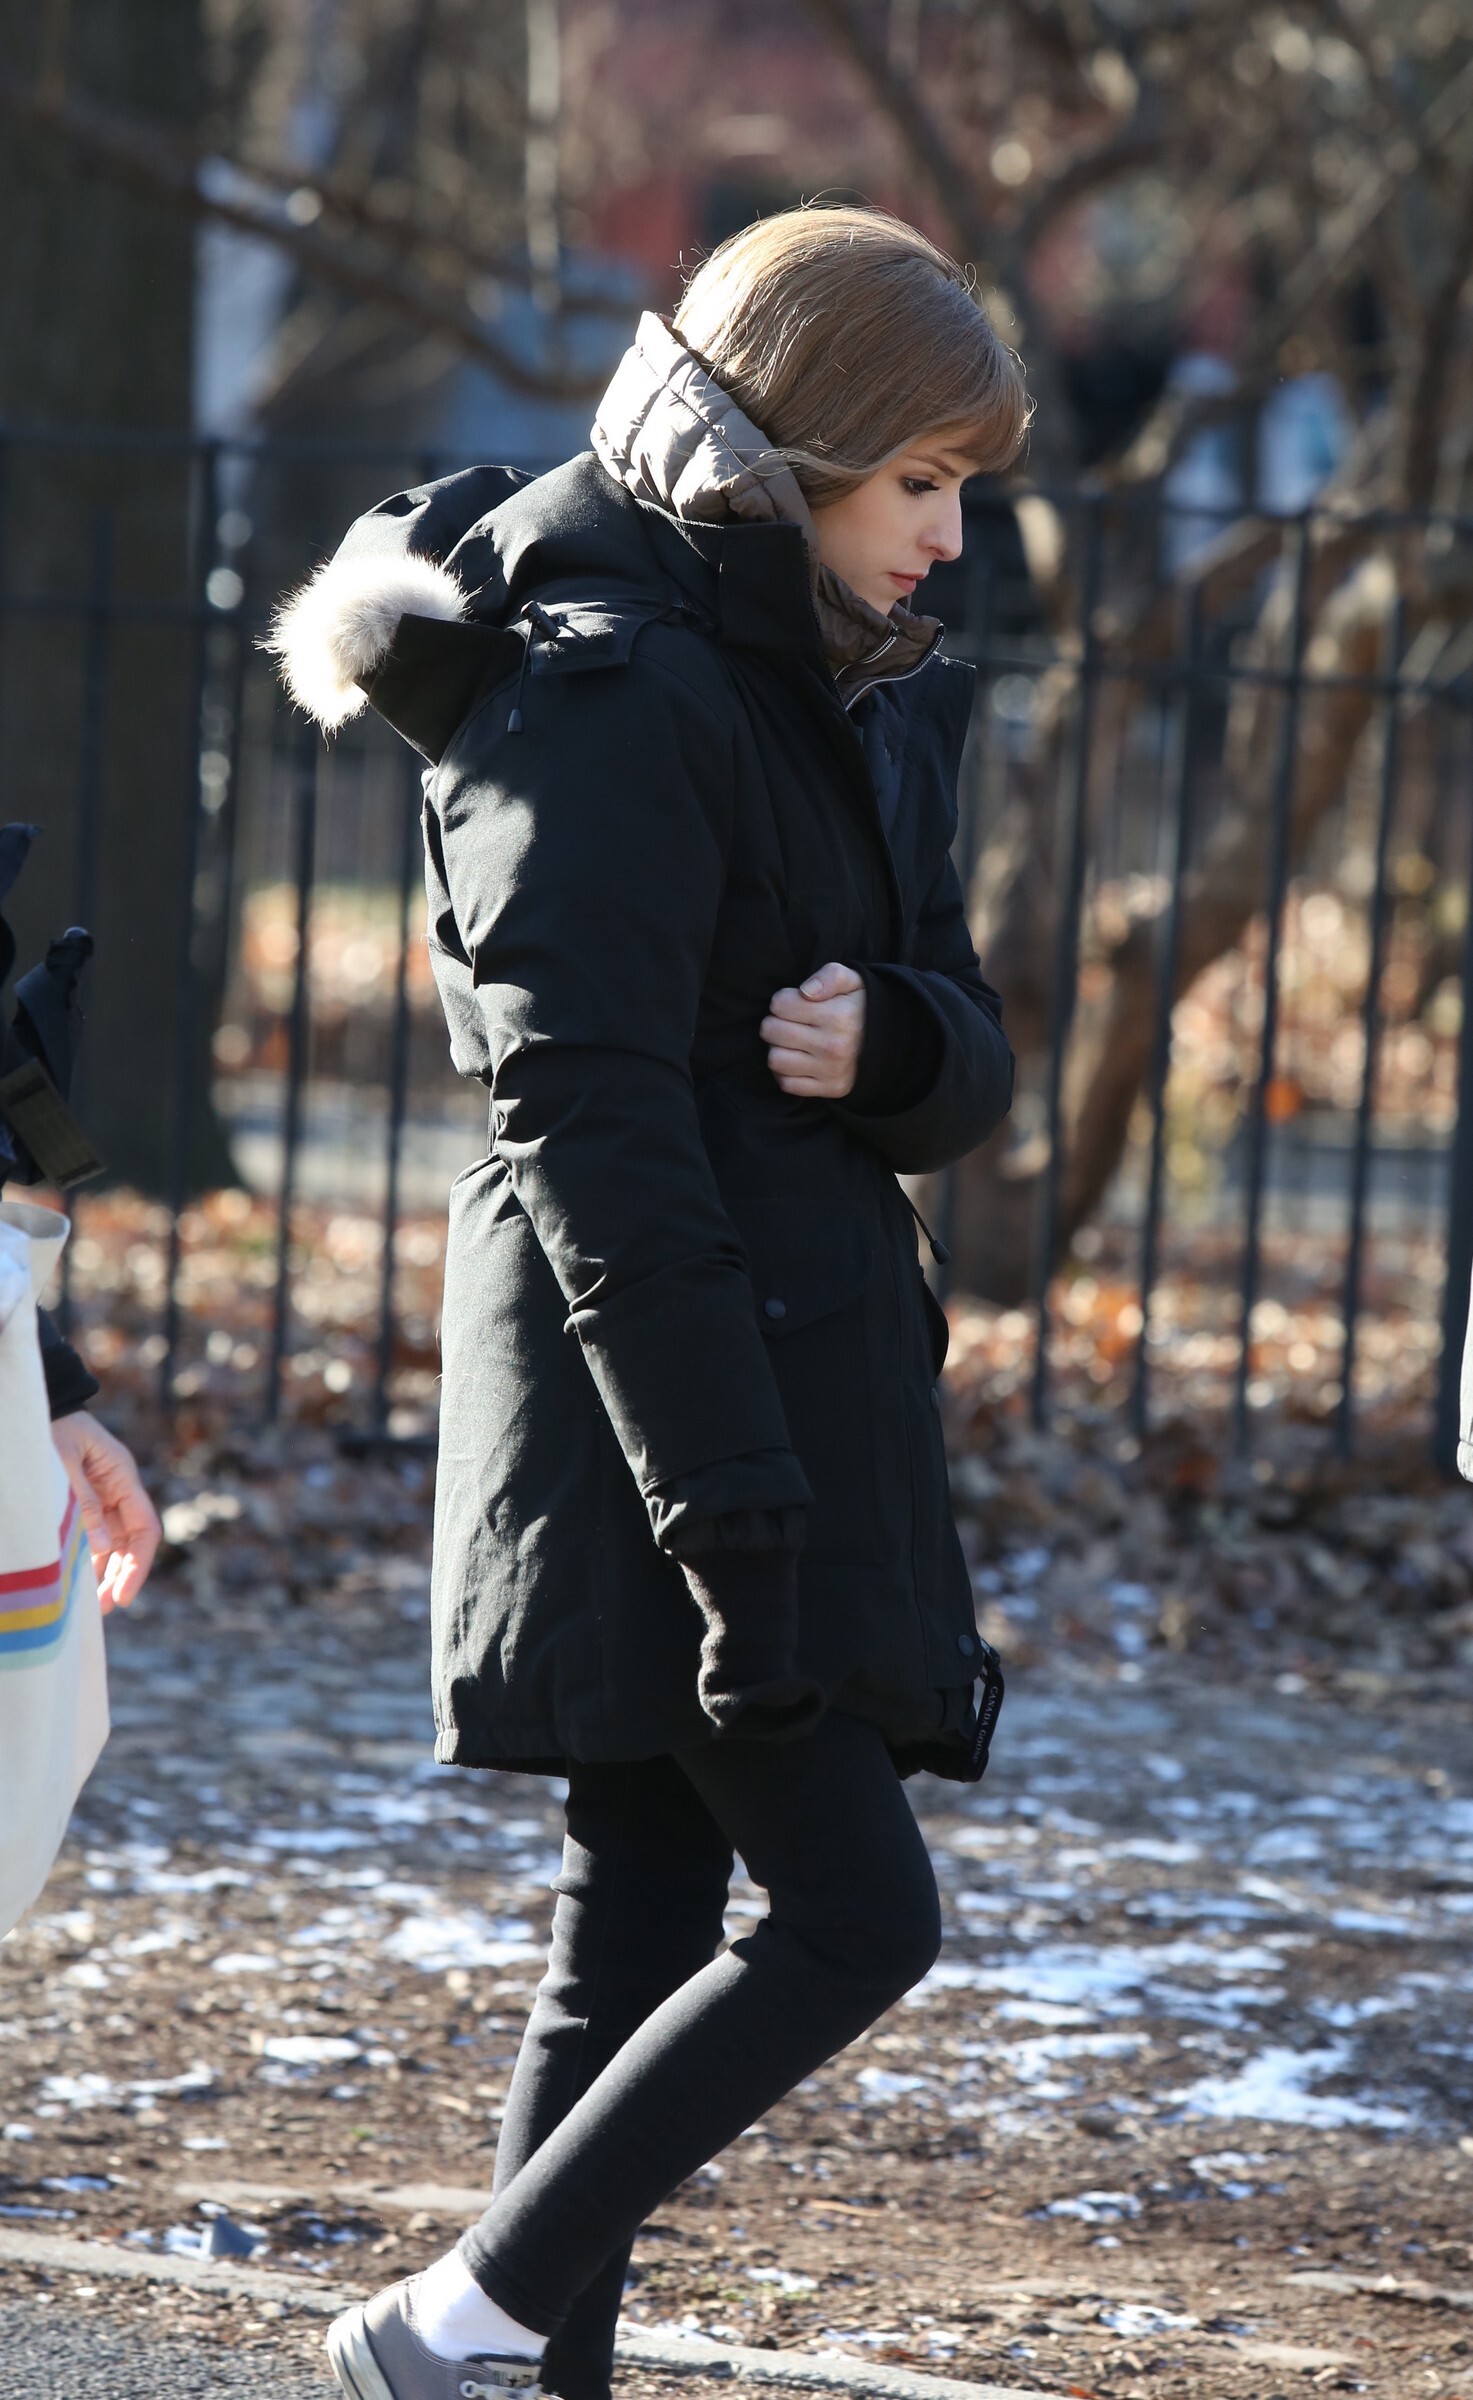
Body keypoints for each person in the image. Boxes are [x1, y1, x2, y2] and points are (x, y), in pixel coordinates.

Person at [271, 204, 1028, 2400]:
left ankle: (493, 2372)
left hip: (764, 1390)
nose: (950, 537)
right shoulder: (609, 681)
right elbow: (587, 1122)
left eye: (963, 487)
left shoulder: (845, 671)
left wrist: (894, 1042)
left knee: (633, 1926)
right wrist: (732, 1522)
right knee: (856, 1915)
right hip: (662, 1419)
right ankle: (443, 2329)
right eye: (918, 481)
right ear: (793, 450)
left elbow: (965, 1031)